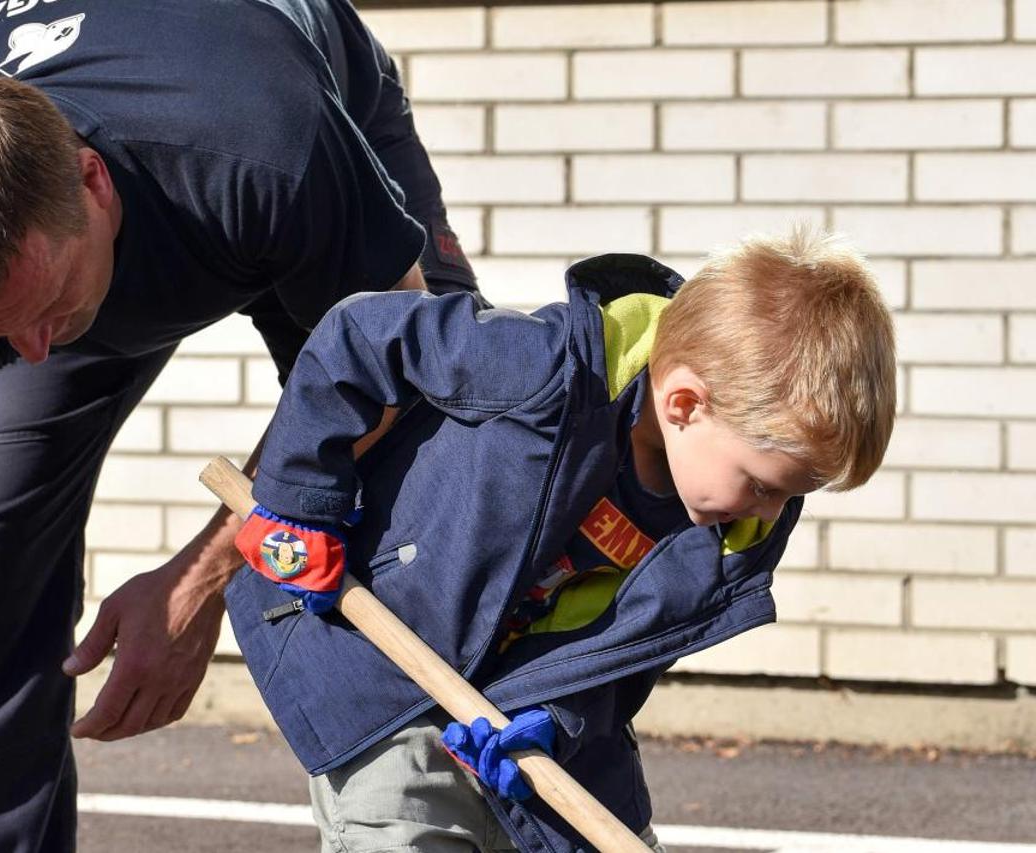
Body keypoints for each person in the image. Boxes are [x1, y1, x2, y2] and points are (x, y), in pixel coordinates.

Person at [0, 1, 480, 850]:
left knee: (443, 461)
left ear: (93, 183)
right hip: (113, 226)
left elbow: (396, 374)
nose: (31, 355)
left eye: (44, 308)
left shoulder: (262, 141)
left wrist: (201, 579)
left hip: (277, 130)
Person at [229, 228, 897, 852]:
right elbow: (361, 337)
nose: (772, 510)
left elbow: (621, 658)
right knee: (404, 825)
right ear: (686, 404)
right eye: (761, 483)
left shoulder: (731, 534)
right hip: (383, 663)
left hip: (520, 717)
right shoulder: (540, 367)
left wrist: (556, 717)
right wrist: (300, 501)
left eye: (793, 491)